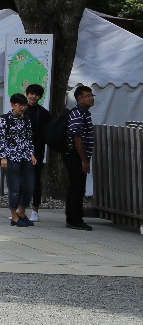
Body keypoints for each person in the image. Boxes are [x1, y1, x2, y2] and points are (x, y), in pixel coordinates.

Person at [0, 92, 37, 226]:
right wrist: (3, 157)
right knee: (15, 188)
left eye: (24, 105)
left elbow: (29, 138)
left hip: (25, 156)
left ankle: (22, 211)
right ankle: (14, 216)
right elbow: (1, 139)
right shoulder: (4, 119)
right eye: (20, 105)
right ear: (13, 105)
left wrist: (32, 154)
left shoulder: (26, 119)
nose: (22, 108)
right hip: (11, 157)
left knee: (29, 186)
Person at [63, 84, 96, 231]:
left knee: (76, 187)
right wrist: (83, 159)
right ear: (79, 99)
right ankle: (75, 219)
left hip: (78, 156)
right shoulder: (77, 114)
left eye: (92, 96)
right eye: (88, 96)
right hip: (74, 155)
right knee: (77, 187)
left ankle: (72, 217)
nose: (91, 99)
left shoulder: (85, 113)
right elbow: (77, 137)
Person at [24, 83, 50, 222]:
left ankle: (35, 210)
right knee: (21, 178)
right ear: (27, 94)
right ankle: (19, 209)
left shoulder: (44, 113)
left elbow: (46, 133)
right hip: (21, 149)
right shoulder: (22, 110)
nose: (33, 96)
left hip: (37, 149)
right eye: (31, 93)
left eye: (36, 94)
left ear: (40, 97)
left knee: (35, 179)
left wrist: (35, 147)